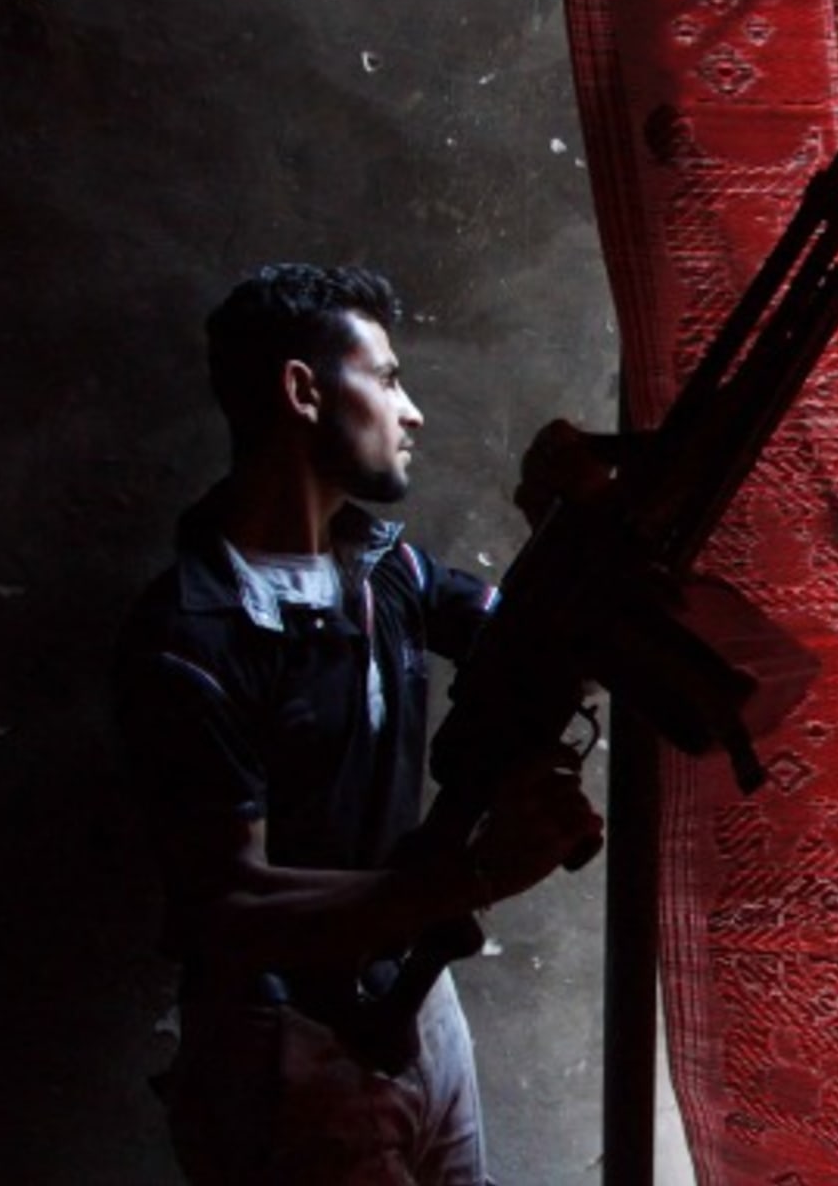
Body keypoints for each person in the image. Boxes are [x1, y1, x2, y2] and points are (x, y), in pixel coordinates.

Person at [115, 263, 604, 1184]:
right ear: (303, 392)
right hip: (284, 1046)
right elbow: (232, 909)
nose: (410, 412)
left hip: (418, 1001)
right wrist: (476, 876)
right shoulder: (190, 635)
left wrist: (573, 521)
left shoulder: (387, 570)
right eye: (385, 378)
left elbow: (545, 632)